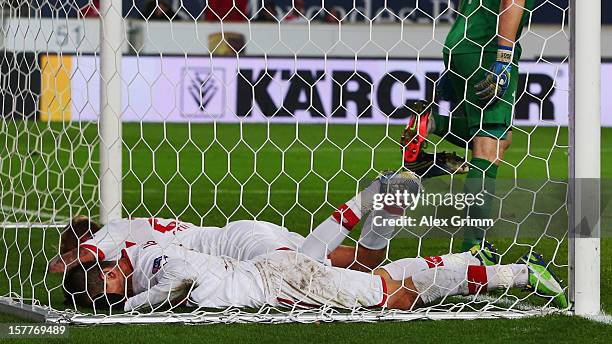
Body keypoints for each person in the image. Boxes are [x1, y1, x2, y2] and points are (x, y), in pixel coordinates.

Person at [401, 0, 555, 250]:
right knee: (488, 146)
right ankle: (473, 250)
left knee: (501, 140)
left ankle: (432, 125)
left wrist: (458, 57)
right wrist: (503, 58)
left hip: (461, 40)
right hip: (488, 46)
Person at [49, 171, 423, 274]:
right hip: (250, 236)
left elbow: (64, 263)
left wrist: (67, 262)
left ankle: (371, 195)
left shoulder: (111, 233)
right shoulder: (135, 232)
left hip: (239, 248)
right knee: (364, 263)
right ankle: (395, 197)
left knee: (305, 275)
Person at [63, 240, 567, 312]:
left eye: (101, 276)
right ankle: (465, 257)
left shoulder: (152, 266)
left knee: (391, 297)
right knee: (386, 282)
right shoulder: (143, 271)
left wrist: (133, 306)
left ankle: (514, 273)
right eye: (102, 289)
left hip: (280, 281)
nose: (108, 279)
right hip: (276, 274)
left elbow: (183, 279)